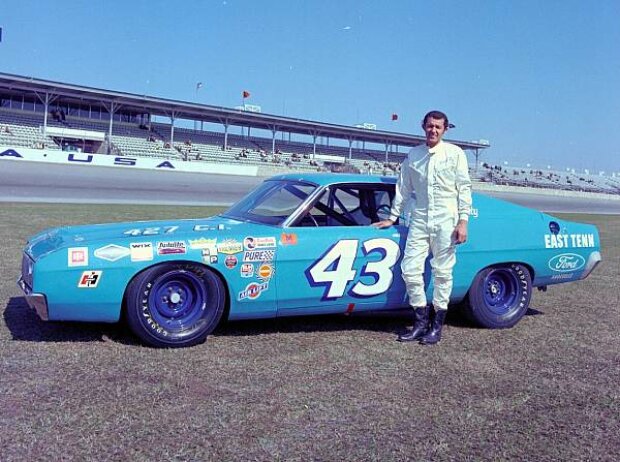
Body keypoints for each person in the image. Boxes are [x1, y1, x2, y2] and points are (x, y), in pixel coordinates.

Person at [373, 110, 472, 345]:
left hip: (446, 218)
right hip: (420, 216)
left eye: (438, 127)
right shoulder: (414, 154)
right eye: (429, 126)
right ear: (423, 127)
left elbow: (464, 188)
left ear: (445, 129)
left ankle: (436, 326)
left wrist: (463, 221)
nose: (433, 130)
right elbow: (403, 188)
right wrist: (393, 216)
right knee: (409, 269)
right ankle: (420, 322)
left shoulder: (455, 154)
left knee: (442, 273)